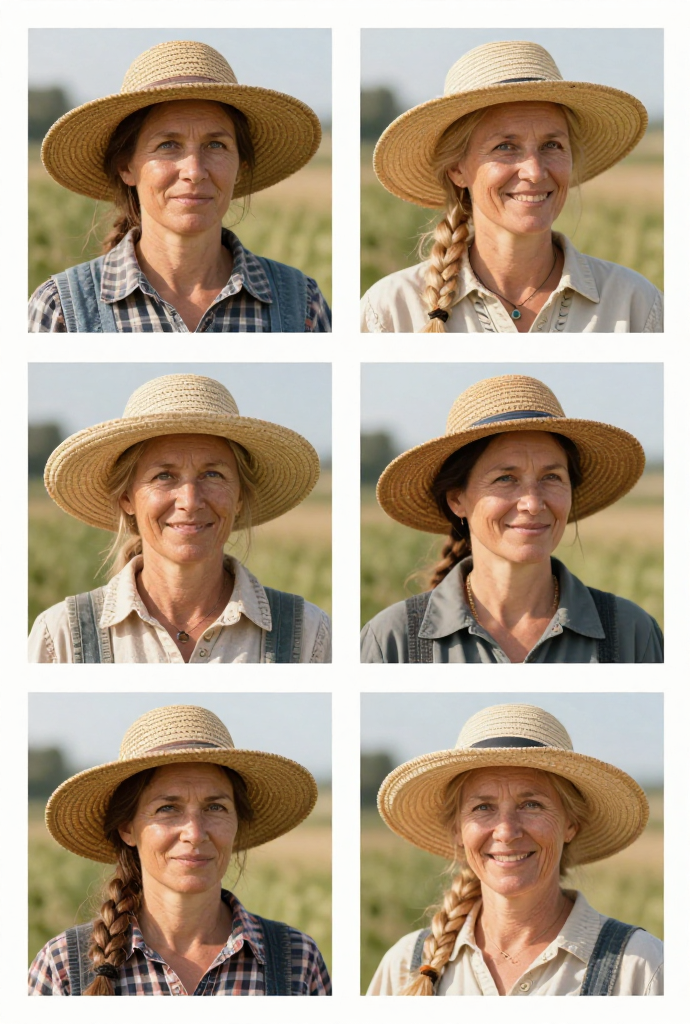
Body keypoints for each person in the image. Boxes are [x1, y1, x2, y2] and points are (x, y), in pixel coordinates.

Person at [361, 40, 662, 333]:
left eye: (552, 145)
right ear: (457, 169)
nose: (534, 171)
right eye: (505, 146)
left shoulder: (635, 305)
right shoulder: (392, 311)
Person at [29, 40, 331, 332]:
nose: (195, 171)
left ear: (241, 167)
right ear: (126, 167)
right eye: (168, 145)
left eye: (216, 144)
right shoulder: (60, 311)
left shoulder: (303, 304)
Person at [29, 704, 331, 995]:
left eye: (215, 807)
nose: (195, 833)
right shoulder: (62, 968)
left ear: (237, 822)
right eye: (167, 808)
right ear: (127, 828)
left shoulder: (298, 961)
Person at [29, 373, 331, 663]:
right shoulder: (59, 637)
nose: (190, 501)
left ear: (239, 497)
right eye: (164, 476)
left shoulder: (309, 634)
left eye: (213, 474)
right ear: (127, 499)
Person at [361, 374, 663, 662]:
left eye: (552, 477)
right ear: (457, 499)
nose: (532, 503)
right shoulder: (392, 640)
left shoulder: (632, 633)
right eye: (506, 478)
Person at [368, 703, 663, 995]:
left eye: (531, 805)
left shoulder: (639, 966)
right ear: (457, 829)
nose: (507, 831)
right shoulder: (404, 966)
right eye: (483, 807)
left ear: (571, 824)